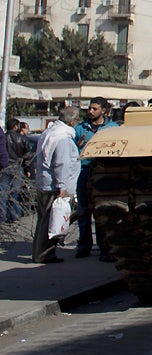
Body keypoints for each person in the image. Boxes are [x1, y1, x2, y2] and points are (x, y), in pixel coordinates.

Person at [32, 105, 82, 264]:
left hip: (45, 183)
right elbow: (62, 163)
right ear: (73, 120)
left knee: (44, 219)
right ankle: (44, 254)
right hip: (54, 185)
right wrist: (62, 186)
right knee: (49, 221)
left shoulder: (51, 132)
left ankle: (40, 252)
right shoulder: (63, 138)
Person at [73, 97, 118, 260]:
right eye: (89, 108)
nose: (90, 111)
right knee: (83, 211)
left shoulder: (113, 128)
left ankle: (104, 247)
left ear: (104, 111)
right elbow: (72, 151)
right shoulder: (81, 129)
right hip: (84, 171)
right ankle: (84, 245)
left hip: (104, 173)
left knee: (103, 210)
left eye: (95, 109)